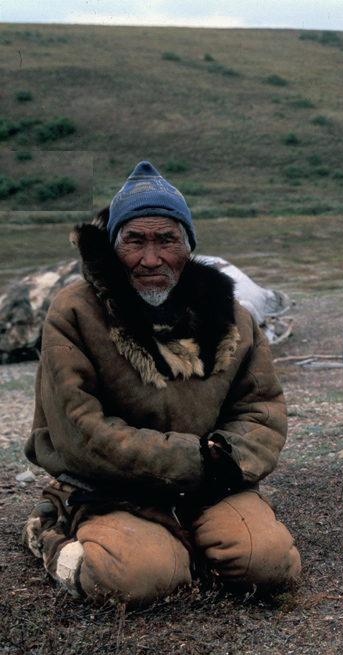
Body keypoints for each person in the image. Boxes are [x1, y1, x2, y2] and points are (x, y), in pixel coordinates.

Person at [22, 161, 301, 607]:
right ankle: (53, 533)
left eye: (167, 240)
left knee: (268, 564)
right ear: (113, 248)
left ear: (188, 247)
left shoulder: (231, 315)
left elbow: (261, 409)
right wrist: (190, 457)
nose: (151, 259)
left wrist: (224, 461)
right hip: (112, 487)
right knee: (139, 578)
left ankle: (187, 541)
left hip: (211, 483)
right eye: (134, 241)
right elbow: (80, 427)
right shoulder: (74, 313)